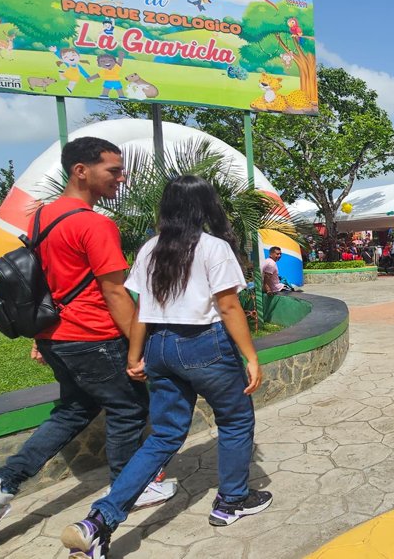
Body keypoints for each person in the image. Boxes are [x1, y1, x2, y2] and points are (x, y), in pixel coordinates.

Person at [0, 138, 173, 546]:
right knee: (130, 407)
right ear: (81, 171)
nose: (121, 178)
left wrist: (40, 338)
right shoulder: (94, 223)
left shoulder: (40, 218)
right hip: (94, 335)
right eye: (113, 170)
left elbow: (44, 282)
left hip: (56, 336)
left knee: (73, 411)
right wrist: (138, 348)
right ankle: (132, 488)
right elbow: (115, 292)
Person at [61, 176, 269, 558]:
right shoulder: (213, 248)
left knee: (162, 436)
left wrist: (134, 355)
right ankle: (231, 501)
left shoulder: (150, 250)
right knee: (236, 421)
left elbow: (142, 308)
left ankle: (99, 521)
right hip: (206, 345)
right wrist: (251, 357)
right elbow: (227, 307)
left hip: (159, 348)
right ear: (206, 206)